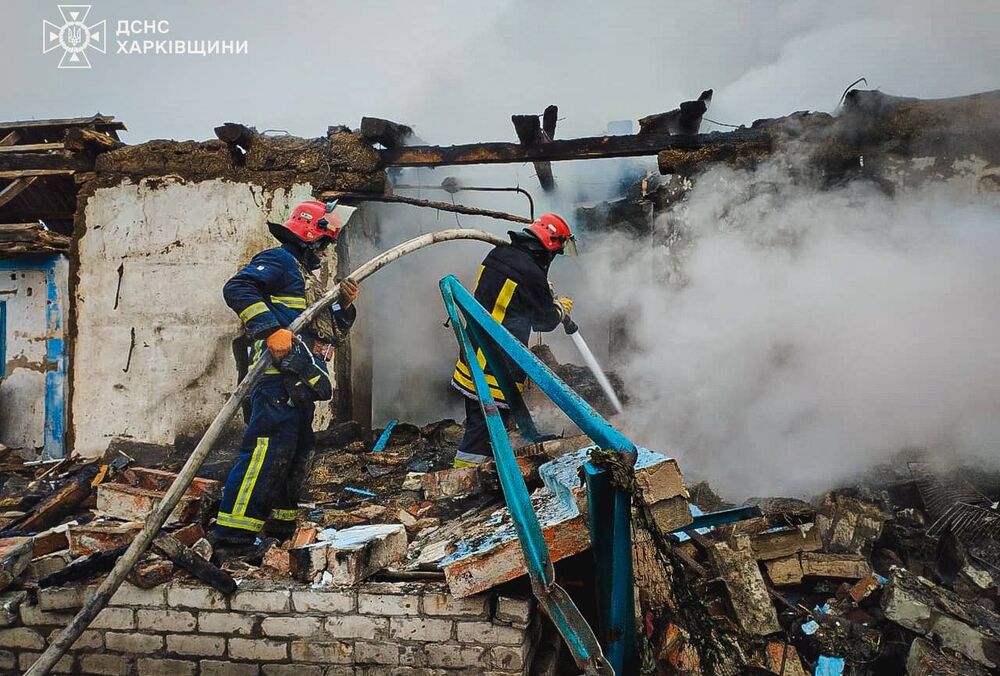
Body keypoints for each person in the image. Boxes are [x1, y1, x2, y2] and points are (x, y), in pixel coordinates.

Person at [212, 200, 360, 558]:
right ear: (310, 236)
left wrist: (343, 306)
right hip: (275, 379)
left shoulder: (303, 277)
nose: (325, 251)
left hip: (301, 380)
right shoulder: (278, 260)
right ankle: (232, 538)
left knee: (294, 454)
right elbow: (238, 288)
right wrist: (271, 330)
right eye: (324, 243)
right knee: (265, 453)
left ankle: (280, 529)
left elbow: (328, 331)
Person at [450, 212, 576, 468]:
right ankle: (461, 479)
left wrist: (539, 293)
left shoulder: (498, 254)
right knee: (481, 435)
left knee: (483, 426)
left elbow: (507, 299)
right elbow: (544, 322)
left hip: (474, 355)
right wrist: (560, 308)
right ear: (549, 245)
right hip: (496, 367)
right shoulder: (531, 274)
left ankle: (496, 465)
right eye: (557, 251)